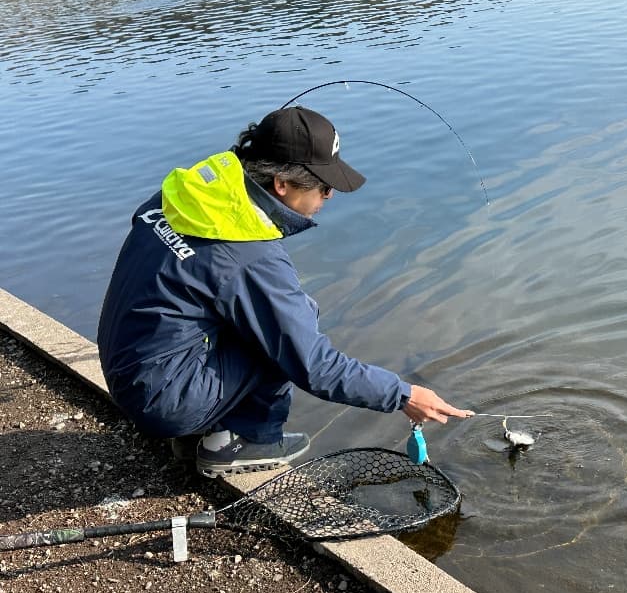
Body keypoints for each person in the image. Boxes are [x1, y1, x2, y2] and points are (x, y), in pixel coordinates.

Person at [97, 105, 472, 478]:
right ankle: (250, 440)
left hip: (127, 369)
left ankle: (198, 429)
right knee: (292, 322)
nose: (329, 196)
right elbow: (315, 365)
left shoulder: (189, 195)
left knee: (262, 316)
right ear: (282, 184)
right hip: (160, 400)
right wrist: (403, 394)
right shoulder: (248, 256)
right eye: (324, 187)